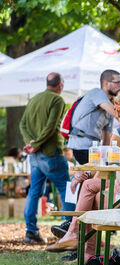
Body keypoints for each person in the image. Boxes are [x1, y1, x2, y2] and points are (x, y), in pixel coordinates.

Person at [46, 92, 120, 258]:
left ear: (116, 112)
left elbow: (109, 168)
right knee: (90, 194)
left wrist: (85, 174)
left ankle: (78, 242)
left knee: (90, 198)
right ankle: (78, 242)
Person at [19, 72, 73, 244]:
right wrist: (37, 143)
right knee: (66, 188)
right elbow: (51, 127)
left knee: (34, 192)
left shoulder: (34, 99)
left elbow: (23, 124)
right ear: (60, 85)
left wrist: (30, 143)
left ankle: (31, 232)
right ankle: (71, 229)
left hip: (34, 156)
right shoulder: (57, 100)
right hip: (50, 153)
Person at [67, 69, 120, 165]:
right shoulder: (97, 93)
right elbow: (117, 114)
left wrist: (106, 158)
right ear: (106, 83)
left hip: (93, 148)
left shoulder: (110, 105)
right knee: (93, 175)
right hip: (81, 146)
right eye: (117, 82)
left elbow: (107, 136)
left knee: (97, 174)